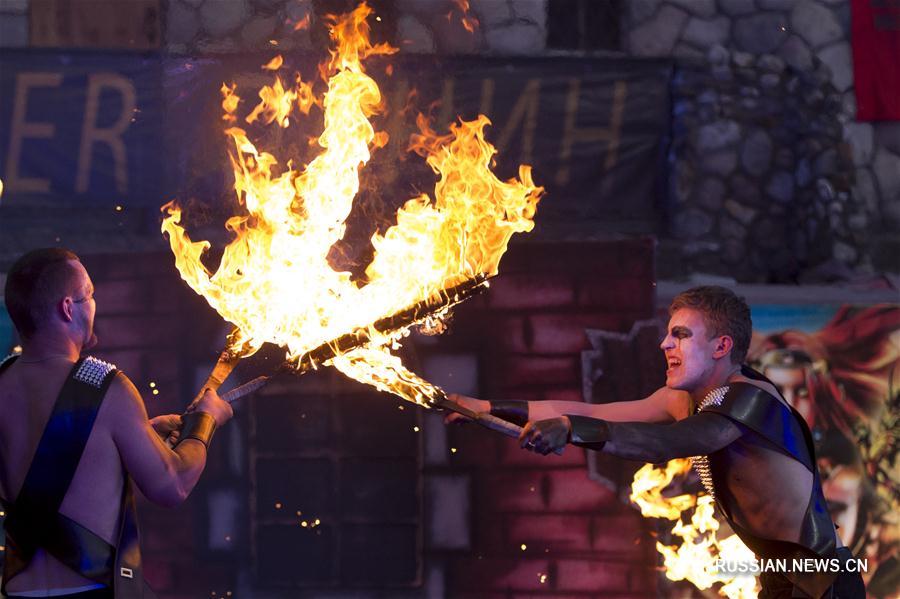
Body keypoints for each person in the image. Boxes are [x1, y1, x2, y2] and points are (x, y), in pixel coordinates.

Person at [449, 286, 865, 598]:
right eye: (669, 335)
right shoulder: (683, 399)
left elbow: (668, 443)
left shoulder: (748, 400)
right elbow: (593, 412)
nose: (665, 344)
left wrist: (571, 430)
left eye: (680, 335)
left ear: (722, 346)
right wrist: (484, 406)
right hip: (784, 582)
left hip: (821, 584)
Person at [0, 248, 233, 599]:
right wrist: (206, 421)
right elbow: (172, 486)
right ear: (67, 308)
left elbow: (48, 457)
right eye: (89, 295)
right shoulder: (106, 386)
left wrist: (132, 441)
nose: (94, 305)